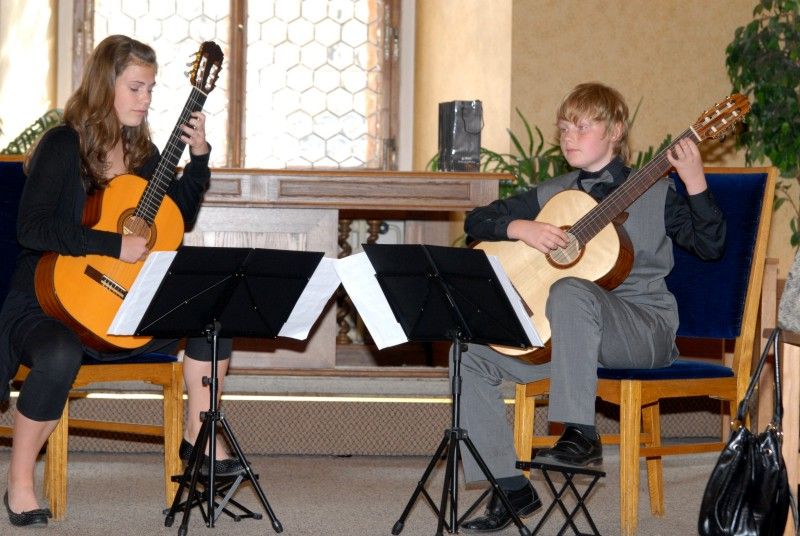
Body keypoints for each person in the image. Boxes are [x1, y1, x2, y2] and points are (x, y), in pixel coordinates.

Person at [457, 82, 726, 533]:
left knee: (571, 290)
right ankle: (509, 488)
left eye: (583, 126)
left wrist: (695, 180)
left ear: (616, 130)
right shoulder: (556, 193)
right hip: (569, 340)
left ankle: (580, 433)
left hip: (641, 328)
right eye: (564, 127)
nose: (569, 136)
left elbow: (712, 247)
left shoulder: (658, 190)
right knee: (468, 352)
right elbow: (476, 220)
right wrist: (523, 228)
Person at [0, 35, 241, 527]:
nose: (145, 99)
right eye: (135, 87)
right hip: (50, 301)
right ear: (105, 84)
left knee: (213, 317)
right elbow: (32, 228)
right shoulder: (64, 144)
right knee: (59, 352)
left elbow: (177, 217)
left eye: (151, 89)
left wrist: (197, 160)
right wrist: (113, 246)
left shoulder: (142, 150)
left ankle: (197, 433)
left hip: (123, 305)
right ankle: (21, 480)